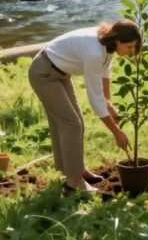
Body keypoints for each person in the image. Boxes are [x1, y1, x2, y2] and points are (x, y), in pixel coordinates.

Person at [28, 20, 141, 192]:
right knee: (71, 124)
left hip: (61, 73)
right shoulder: (94, 51)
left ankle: (76, 169)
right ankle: (74, 182)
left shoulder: (108, 44)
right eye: (129, 46)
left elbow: (105, 73)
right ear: (117, 40)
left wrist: (109, 103)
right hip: (43, 73)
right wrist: (116, 132)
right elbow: (95, 98)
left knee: (76, 122)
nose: (132, 51)